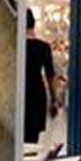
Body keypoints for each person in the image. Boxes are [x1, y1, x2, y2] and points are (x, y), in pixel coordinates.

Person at [24, 9, 58, 147]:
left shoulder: (17, 46)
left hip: (20, 93)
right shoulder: (43, 47)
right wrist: (54, 100)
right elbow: (50, 75)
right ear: (34, 24)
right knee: (31, 140)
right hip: (36, 93)